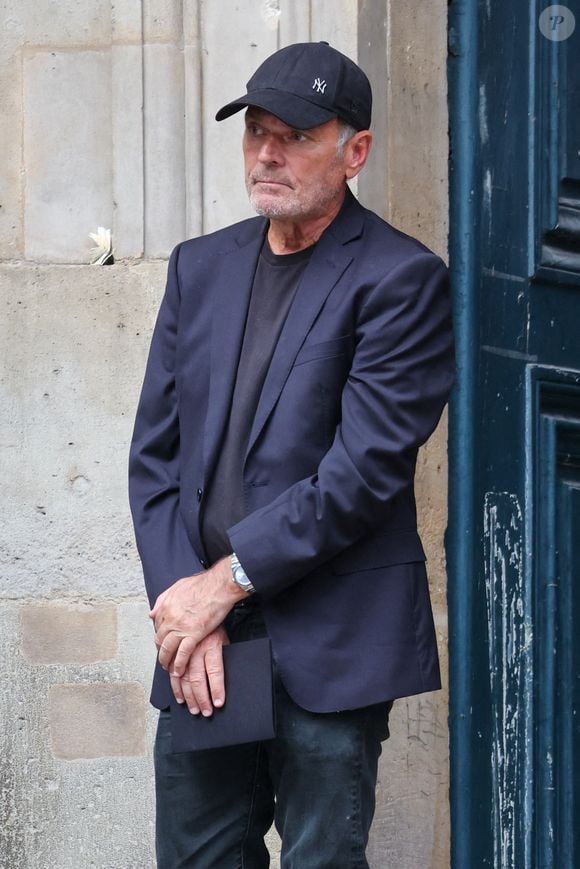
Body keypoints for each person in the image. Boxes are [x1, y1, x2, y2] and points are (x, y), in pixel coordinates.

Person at [129, 41, 455, 869]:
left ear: (356, 151)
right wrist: (184, 608)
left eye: (296, 136)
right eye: (257, 133)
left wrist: (219, 586)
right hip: (207, 645)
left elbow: (360, 475)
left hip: (331, 642)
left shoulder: (401, 280)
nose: (268, 153)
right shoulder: (199, 268)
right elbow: (155, 462)